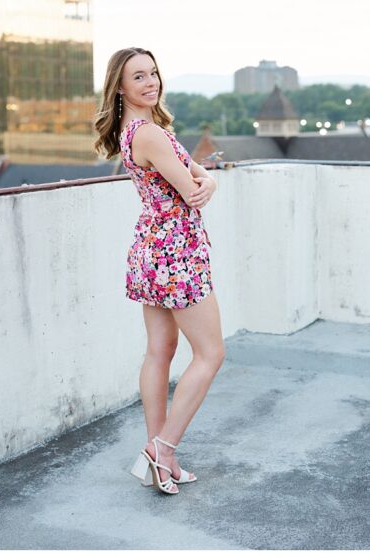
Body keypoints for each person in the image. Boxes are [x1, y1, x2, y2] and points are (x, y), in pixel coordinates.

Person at [93, 47, 226, 496]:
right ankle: (163, 450)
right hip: (176, 254)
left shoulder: (143, 131)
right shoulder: (149, 134)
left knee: (160, 351)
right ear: (121, 87)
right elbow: (194, 188)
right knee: (210, 354)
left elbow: (196, 174)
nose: (150, 82)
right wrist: (209, 181)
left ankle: (158, 457)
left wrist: (205, 178)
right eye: (139, 77)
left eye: (153, 73)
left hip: (152, 250)